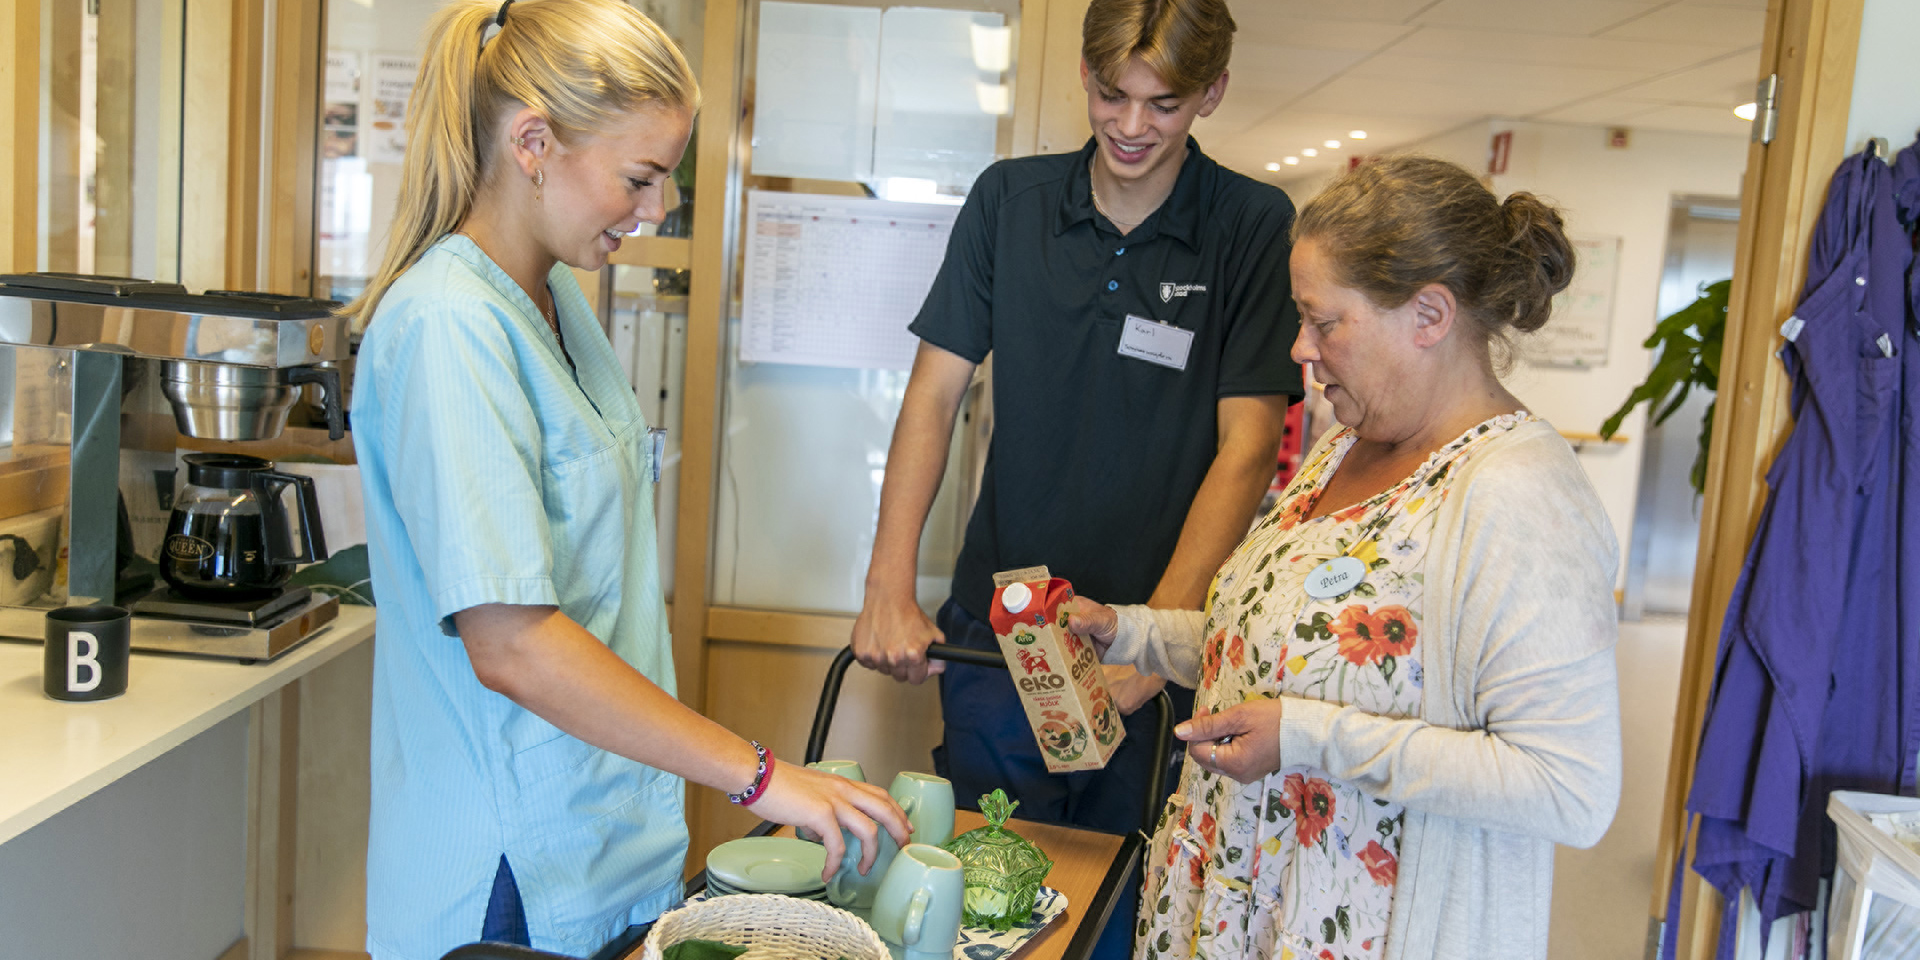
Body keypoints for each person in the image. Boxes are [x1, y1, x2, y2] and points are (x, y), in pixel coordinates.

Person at [344, 2, 909, 958]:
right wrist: (766, 776)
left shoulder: (555, 298)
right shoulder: (448, 326)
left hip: (602, 833)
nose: (656, 211)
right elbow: (512, 645)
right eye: (639, 177)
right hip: (512, 868)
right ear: (533, 142)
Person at [1066, 155, 1624, 960]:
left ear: (1429, 314)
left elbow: (1568, 789)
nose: (1300, 349)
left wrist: (1309, 737)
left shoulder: (1516, 494)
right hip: (1227, 906)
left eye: (1325, 323)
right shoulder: (1343, 448)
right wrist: (1130, 633)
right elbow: (1284, 653)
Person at [851, 0, 1298, 952]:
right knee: (988, 894)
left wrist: (1159, 639)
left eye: (1165, 103)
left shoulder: (1251, 225)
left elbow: (1249, 444)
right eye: (1112, 94)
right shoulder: (1010, 202)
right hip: (1000, 633)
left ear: (1211, 93)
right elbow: (933, 396)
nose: (1133, 126)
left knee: (1127, 910)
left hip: (1152, 655)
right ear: (1085, 78)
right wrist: (889, 583)